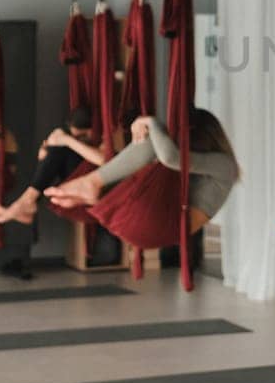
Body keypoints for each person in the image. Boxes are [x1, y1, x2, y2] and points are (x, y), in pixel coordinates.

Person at [45, 109, 241, 271]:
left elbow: (169, 157)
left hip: (164, 225)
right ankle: (92, 192)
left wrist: (150, 122)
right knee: (144, 156)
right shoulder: (204, 166)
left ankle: (91, 184)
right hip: (148, 224)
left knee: (152, 143)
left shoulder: (224, 165)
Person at [0, 106, 105, 227]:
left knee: (59, 147)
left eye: (82, 136)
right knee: (56, 148)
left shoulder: (107, 131)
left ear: (91, 129)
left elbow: (105, 161)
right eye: (75, 136)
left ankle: (29, 201)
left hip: (99, 182)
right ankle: (29, 200)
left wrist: (68, 141)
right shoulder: (72, 136)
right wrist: (45, 156)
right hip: (81, 181)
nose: (79, 140)